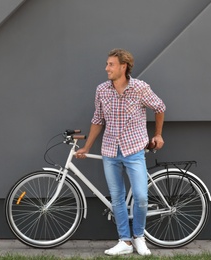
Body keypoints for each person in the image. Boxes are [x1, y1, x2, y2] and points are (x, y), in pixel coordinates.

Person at [75, 48, 166, 256]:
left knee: (141, 197)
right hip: (110, 151)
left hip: (134, 150)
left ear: (123, 67)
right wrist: (87, 147)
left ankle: (139, 237)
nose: (106, 68)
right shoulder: (102, 90)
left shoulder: (140, 88)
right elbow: (98, 120)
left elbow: (159, 107)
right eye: (107, 64)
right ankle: (124, 241)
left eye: (110, 64)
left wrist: (158, 135)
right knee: (117, 197)